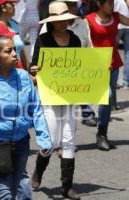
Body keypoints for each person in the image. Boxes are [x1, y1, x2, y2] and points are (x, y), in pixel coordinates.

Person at [0, 21, 52, 200]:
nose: (14, 54)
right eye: (8, 51)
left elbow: (36, 108)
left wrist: (44, 139)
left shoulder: (24, 77)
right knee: (4, 194)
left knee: (20, 189)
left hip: (21, 143)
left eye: (14, 49)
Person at [30, 2, 81, 199]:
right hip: (49, 96)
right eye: (58, 21)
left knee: (68, 140)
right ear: (51, 22)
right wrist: (34, 73)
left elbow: (82, 66)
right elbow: (34, 68)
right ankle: (38, 171)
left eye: (65, 20)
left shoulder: (75, 39)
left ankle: (67, 186)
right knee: (50, 141)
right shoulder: (43, 40)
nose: (62, 23)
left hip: (69, 95)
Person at [85, 0, 129, 151]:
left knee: (108, 103)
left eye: (113, 3)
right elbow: (83, 40)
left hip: (114, 63)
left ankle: (102, 134)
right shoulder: (88, 19)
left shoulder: (116, 17)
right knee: (107, 96)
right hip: (97, 65)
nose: (112, 6)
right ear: (99, 4)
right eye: (109, 3)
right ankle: (99, 129)